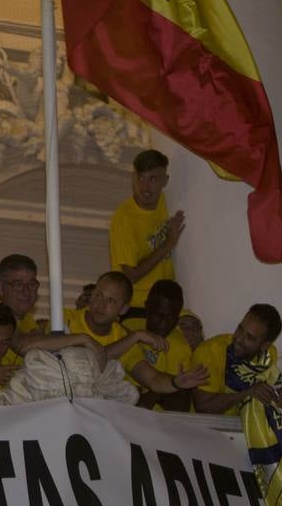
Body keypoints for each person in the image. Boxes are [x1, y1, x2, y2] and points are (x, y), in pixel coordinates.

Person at [110, 149, 185, 318]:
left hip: (165, 304)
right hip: (136, 307)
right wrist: (168, 243)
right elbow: (131, 276)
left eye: (152, 179)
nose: (145, 186)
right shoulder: (124, 219)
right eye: (140, 178)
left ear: (165, 181)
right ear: (133, 178)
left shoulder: (165, 201)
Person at [120, 279, 208, 411]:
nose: (163, 323)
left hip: (157, 418)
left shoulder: (180, 346)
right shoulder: (129, 326)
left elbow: (181, 401)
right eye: (158, 315)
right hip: (121, 403)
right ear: (146, 307)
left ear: (178, 317)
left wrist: (154, 395)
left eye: (171, 318)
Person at [191, 304, 282, 415]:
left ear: (264, 346)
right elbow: (203, 407)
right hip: (207, 428)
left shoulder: (270, 354)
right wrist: (246, 394)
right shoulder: (208, 352)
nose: (238, 338)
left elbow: (265, 392)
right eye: (240, 328)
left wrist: (278, 397)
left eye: (249, 337)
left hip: (245, 427)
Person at [64, 271, 166, 361]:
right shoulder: (65, 317)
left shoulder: (124, 338)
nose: (101, 305)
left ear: (123, 309)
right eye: (99, 295)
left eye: (110, 300)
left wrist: (176, 382)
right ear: (92, 294)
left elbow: (152, 378)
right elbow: (85, 360)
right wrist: (136, 335)